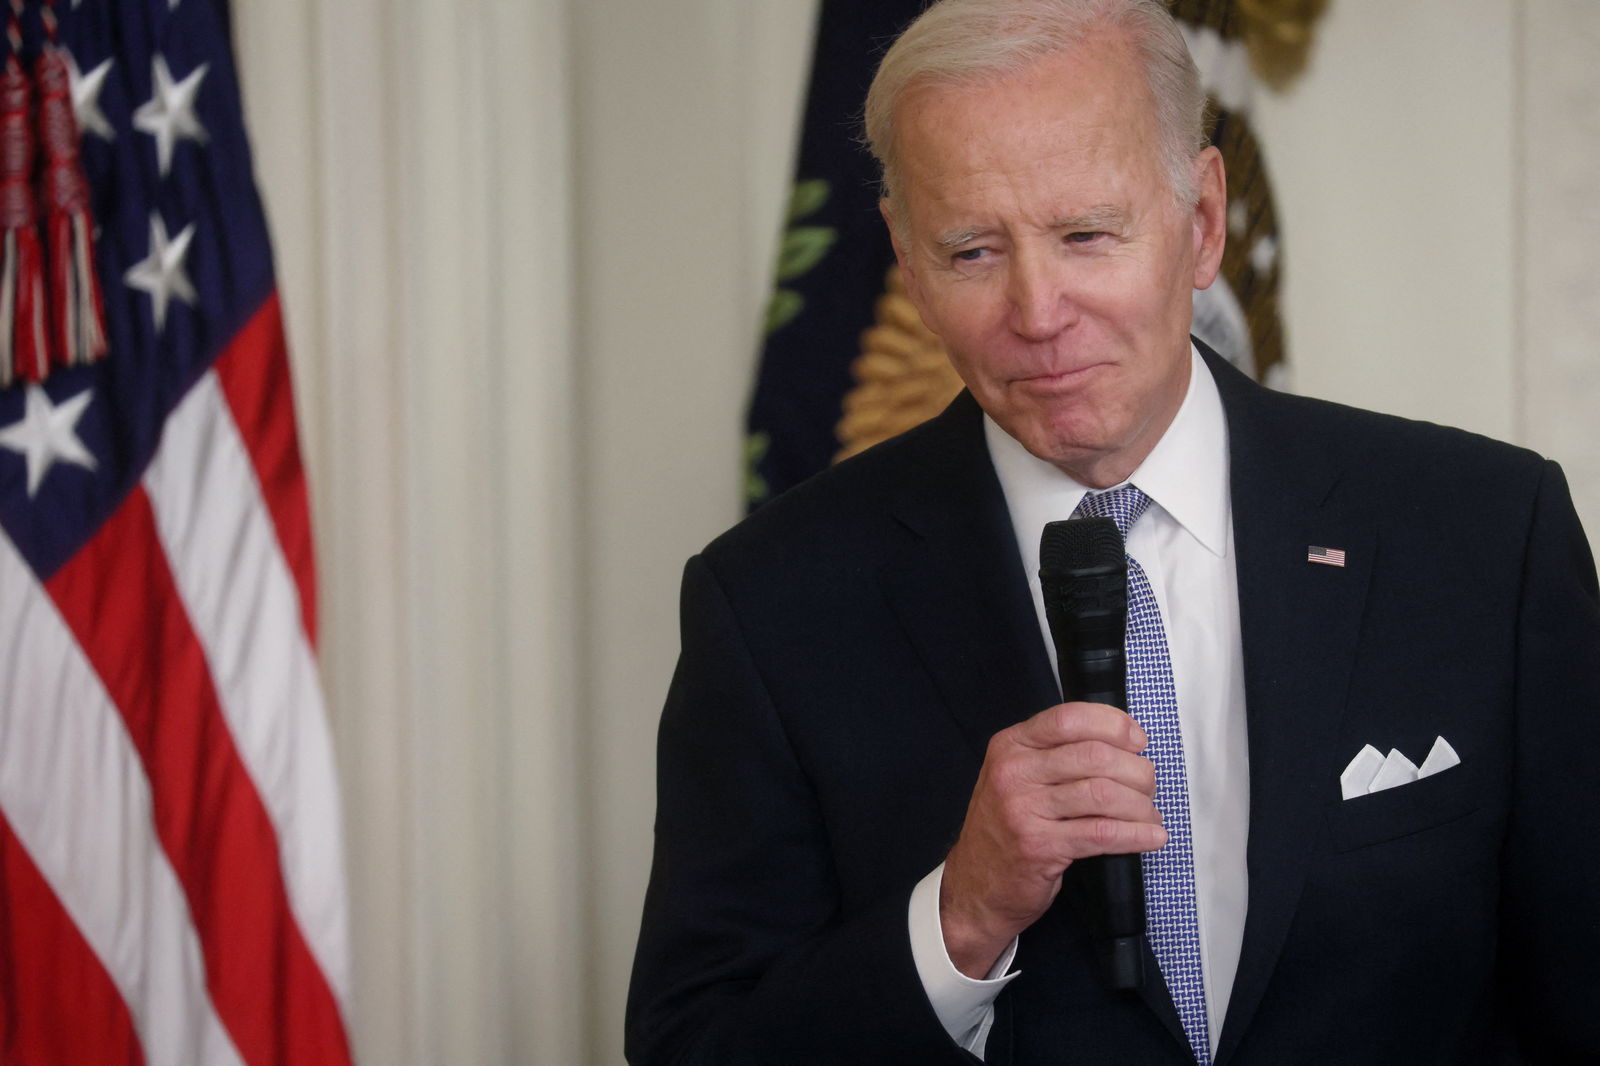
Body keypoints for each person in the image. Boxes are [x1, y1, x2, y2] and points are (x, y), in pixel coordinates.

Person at [625, 0, 1600, 1062]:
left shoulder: (1482, 536)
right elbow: (697, 1043)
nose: (1039, 312)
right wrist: (957, 919)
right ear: (904, 260)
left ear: (1204, 220)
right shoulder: (771, 602)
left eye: (1086, 234)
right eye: (970, 251)